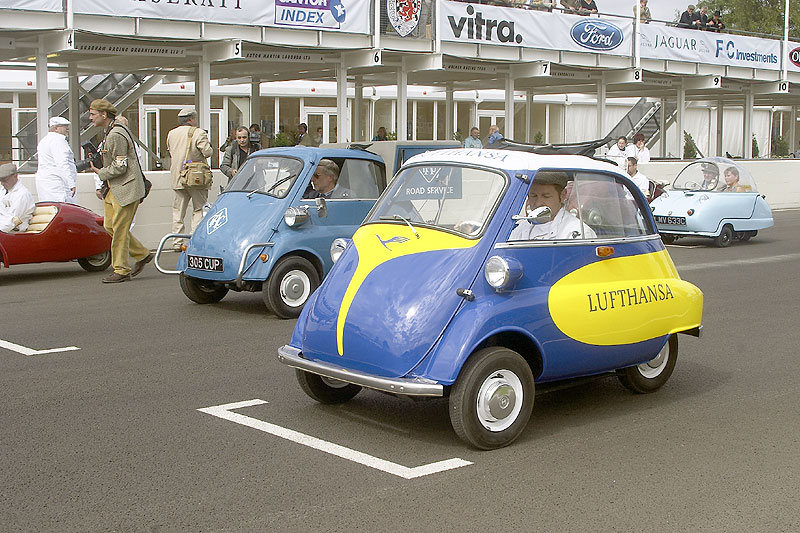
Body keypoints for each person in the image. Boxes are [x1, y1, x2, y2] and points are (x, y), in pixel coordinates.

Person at [88, 98, 152, 283]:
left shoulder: (115, 134)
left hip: (126, 188)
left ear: (104, 114)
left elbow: (120, 166)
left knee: (119, 230)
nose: (91, 118)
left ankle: (121, 270)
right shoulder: (111, 131)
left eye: (93, 115)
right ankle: (141, 254)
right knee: (110, 226)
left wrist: (100, 172)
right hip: (114, 189)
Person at [166, 107, 213, 251]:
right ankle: (193, 239)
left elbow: (169, 150)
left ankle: (177, 242)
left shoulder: (171, 133)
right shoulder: (199, 132)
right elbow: (208, 152)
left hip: (177, 177)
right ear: (191, 119)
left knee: (178, 211)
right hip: (195, 177)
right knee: (199, 208)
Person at [509, 171, 596, 240]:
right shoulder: (521, 229)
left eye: (546, 196)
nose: (538, 203)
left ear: (562, 196)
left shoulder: (577, 232)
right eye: (534, 196)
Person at [35, 116, 78, 204]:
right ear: (56, 128)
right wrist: (71, 184)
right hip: (58, 184)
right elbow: (62, 163)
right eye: (64, 126)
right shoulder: (58, 141)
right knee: (63, 211)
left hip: (47, 184)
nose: (67, 129)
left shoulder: (44, 140)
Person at [0, 163, 35, 233]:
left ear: (15, 176)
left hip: (14, 233)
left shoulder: (22, 195)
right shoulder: (3, 190)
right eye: (0, 180)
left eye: (5, 180)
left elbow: (12, 221)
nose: (2, 183)